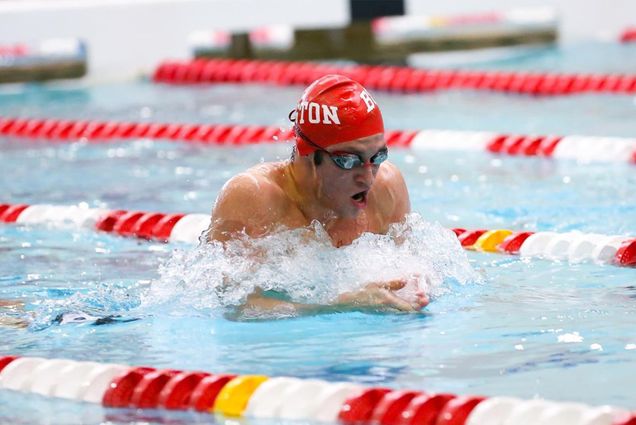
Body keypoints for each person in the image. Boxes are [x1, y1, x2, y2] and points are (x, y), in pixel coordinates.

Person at [207, 74, 428, 315]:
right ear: (308, 156)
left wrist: (416, 287)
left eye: (377, 157)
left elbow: (413, 268)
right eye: (348, 160)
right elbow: (234, 306)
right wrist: (338, 305)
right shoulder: (254, 199)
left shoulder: (386, 188)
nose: (367, 177)